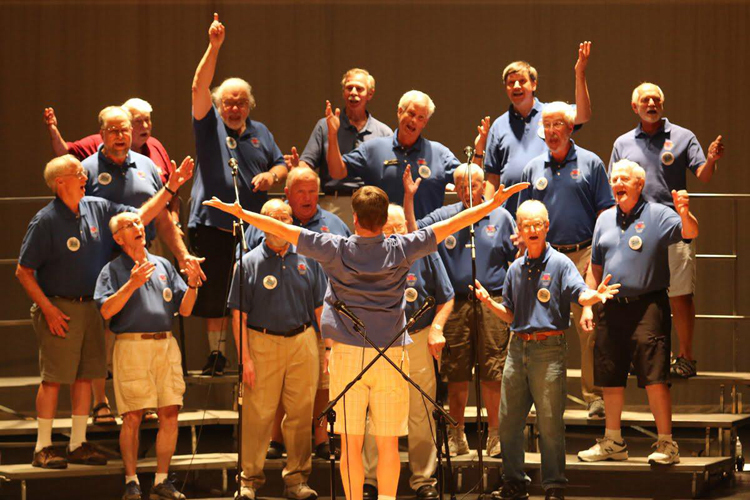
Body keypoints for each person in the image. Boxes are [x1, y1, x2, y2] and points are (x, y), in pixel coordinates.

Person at [203, 179, 528, 500]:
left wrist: (240, 211)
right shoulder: (403, 247)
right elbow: (455, 222)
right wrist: (492, 204)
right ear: (384, 219)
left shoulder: (336, 248)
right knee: (388, 443)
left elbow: (284, 231)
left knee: (352, 444)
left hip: (347, 358)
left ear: (355, 219)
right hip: (392, 357)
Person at [16, 154, 193, 469]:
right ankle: (42, 447)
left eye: (83, 171)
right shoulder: (45, 221)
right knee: (54, 378)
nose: (85, 175)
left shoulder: (96, 207)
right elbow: (23, 272)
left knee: (87, 376)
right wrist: (48, 309)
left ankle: (77, 443)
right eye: (77, 172)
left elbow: (139, 216)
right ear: (60, 182)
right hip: (59, 305)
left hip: (92, 307)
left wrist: (169, 189)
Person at [474, 199, 619, 500]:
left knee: (550, 423)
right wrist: (490, 304)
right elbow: (511, 315)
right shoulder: (514, 268)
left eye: (537, 223)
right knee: (508, 422)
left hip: (549, 350)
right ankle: (514, 482)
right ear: (520, 230)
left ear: (546, 227)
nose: (532, 229)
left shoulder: (561, 264)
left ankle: (554, 486)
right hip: (517, 349)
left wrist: (594, 296)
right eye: (526, 225)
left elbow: (580, 293)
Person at [80, 105, 204, 422]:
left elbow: (161, 219)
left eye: (126, 129)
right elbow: (128, 218)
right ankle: (100, 401)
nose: (121, 136)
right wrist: (171, 188)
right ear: (101, 134)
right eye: (113, 130)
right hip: (102, 257)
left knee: (143, 322)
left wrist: (182, 255)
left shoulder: (147, 165)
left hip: (142, 253)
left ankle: (145, 399)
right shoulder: (88, 169)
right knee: (103, 327)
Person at [577, 160, 699, 466]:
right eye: (614, 178)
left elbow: (689, 232)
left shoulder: (658, 214)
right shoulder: (604, 219)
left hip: (649, 306)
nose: (617, 182)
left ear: (639, 184)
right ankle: (613, 442)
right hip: (611, 307)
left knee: (655, 376)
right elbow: (595, 269)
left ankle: (667, 444)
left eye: (624, 178)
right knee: (610, 377)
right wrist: (589, 304)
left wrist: (685, 213)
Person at [190, 13, 288, 376]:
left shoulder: (261, 131)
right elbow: (199, 86)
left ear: (249, 105)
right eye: (228, 102)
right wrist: (213, 48)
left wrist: (270, 175)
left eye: (241, 102)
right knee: (214, 293)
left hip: (253, 228)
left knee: (251, 292)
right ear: (218, 105)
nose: (234, 108)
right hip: (213, 225)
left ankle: (254, 352)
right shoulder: (208, 124)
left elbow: (282, 166)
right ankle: (217, 354)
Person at [609, 82, 724, 379]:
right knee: (640, 294)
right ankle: (644, 355)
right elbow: (615, 186)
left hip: (674, 223)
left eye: (656, 99)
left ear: (662, 104)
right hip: (636, 228)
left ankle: (686, 357)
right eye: (645, 100)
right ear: (635, 107)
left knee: (681, 293)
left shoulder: (683, 137)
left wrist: (710, 159)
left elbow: (703, 175)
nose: (651, 103)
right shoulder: (623, 143)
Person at [405, 163, 517, 458]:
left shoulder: (501, 216)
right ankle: (457, 435)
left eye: (475, 185)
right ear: (455, 188)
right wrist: (408, 198)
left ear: (483, 186)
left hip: (490, 301)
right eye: (462, 186)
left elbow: (516, 259)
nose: (469, 191)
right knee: (456, 374)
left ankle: (495, 435)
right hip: (454, 303)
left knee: (493, 371)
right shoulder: (445, 216)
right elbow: (414, 232)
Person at [241, 167, 350, 462]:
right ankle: (269, 450)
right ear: (288, 195)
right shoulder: (253, 242)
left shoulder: (333, 226)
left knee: (317, 389)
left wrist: (331, 339)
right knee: (271, 395)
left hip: (316, 321)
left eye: (312, 191)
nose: (307, 197)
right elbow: (246, 290)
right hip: (270, 326)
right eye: (300, 191)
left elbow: (347, 268)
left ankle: (317, 444)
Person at [517, 102, 614, 418]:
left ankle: (594, 396)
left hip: (585, 253)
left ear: (570, 128)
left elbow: (605, 213)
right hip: (544, 257)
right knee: (537, 327)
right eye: (546, 125)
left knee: (589, 328)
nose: (551, 131)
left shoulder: (591, 163)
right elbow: (524, 219)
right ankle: (534, 396)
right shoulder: (533, 167)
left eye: (557, 124)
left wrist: (597, 257)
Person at [95, 212, 201, 500]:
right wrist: (131, 284)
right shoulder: (113, 270)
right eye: (128, 225)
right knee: (132, 415)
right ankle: (131, 481)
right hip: (132, 345)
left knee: (170, 410)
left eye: (138, 222)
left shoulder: (163, 264)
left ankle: (162, 480)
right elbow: (106, 311)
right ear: (118, 238)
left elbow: (186, 309)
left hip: (165, 344)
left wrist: (192, 284)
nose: (137, 227)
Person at [226, 199, 326, 500]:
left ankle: (297, 480)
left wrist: (327, 351)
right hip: (262, 342)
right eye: (273, 218)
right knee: (258, 414)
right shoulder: (247, 263)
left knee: (300, 414)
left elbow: (321, 309)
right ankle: (249, 481)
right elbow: (238, 316)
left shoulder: (309, 258)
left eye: (285, 217)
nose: (280, 222)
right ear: (261, 224)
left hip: (303, 341)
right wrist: (245, 358)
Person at [362, 204, 454, 500]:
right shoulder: (367, 255)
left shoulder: (425, 252)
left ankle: (423, 479)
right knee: (375, 413)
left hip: (417, 338)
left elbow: (447, 298)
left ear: (408, 228)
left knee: (421, 412)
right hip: (378, 343)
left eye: (398, 227)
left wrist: (437, 328)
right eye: (387, 228)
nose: (393, 233)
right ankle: (369, 480)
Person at [480, 42, 592, 217]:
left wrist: (580, 74)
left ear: (534, 85)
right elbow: (492, 177)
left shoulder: (552, 113)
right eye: (511, 83)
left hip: (550, 207)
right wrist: (487, 214)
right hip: (512, 215)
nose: (516, 86)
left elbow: (583, 115)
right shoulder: (498, 125)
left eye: (522, 81)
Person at [325, 90, 460, 219]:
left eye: (420, 118)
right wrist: (332, 135)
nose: (414, 121)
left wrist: (477, 154)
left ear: (425, 123)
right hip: (382, 237)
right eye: (411, 114)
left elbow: (469, 180)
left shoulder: (439, 153)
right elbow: (337, 172)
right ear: (400, 112)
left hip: (426, 238)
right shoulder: (373, 148)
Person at [288, 68, 392, 226]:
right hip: (334, 203)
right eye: (349, 88)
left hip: (371, 205)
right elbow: (307, 163)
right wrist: (297, 169)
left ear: (370, 94)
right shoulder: (325, 126)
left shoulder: (383, 132)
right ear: (343, 92)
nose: (354, 93)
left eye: (359, 88)